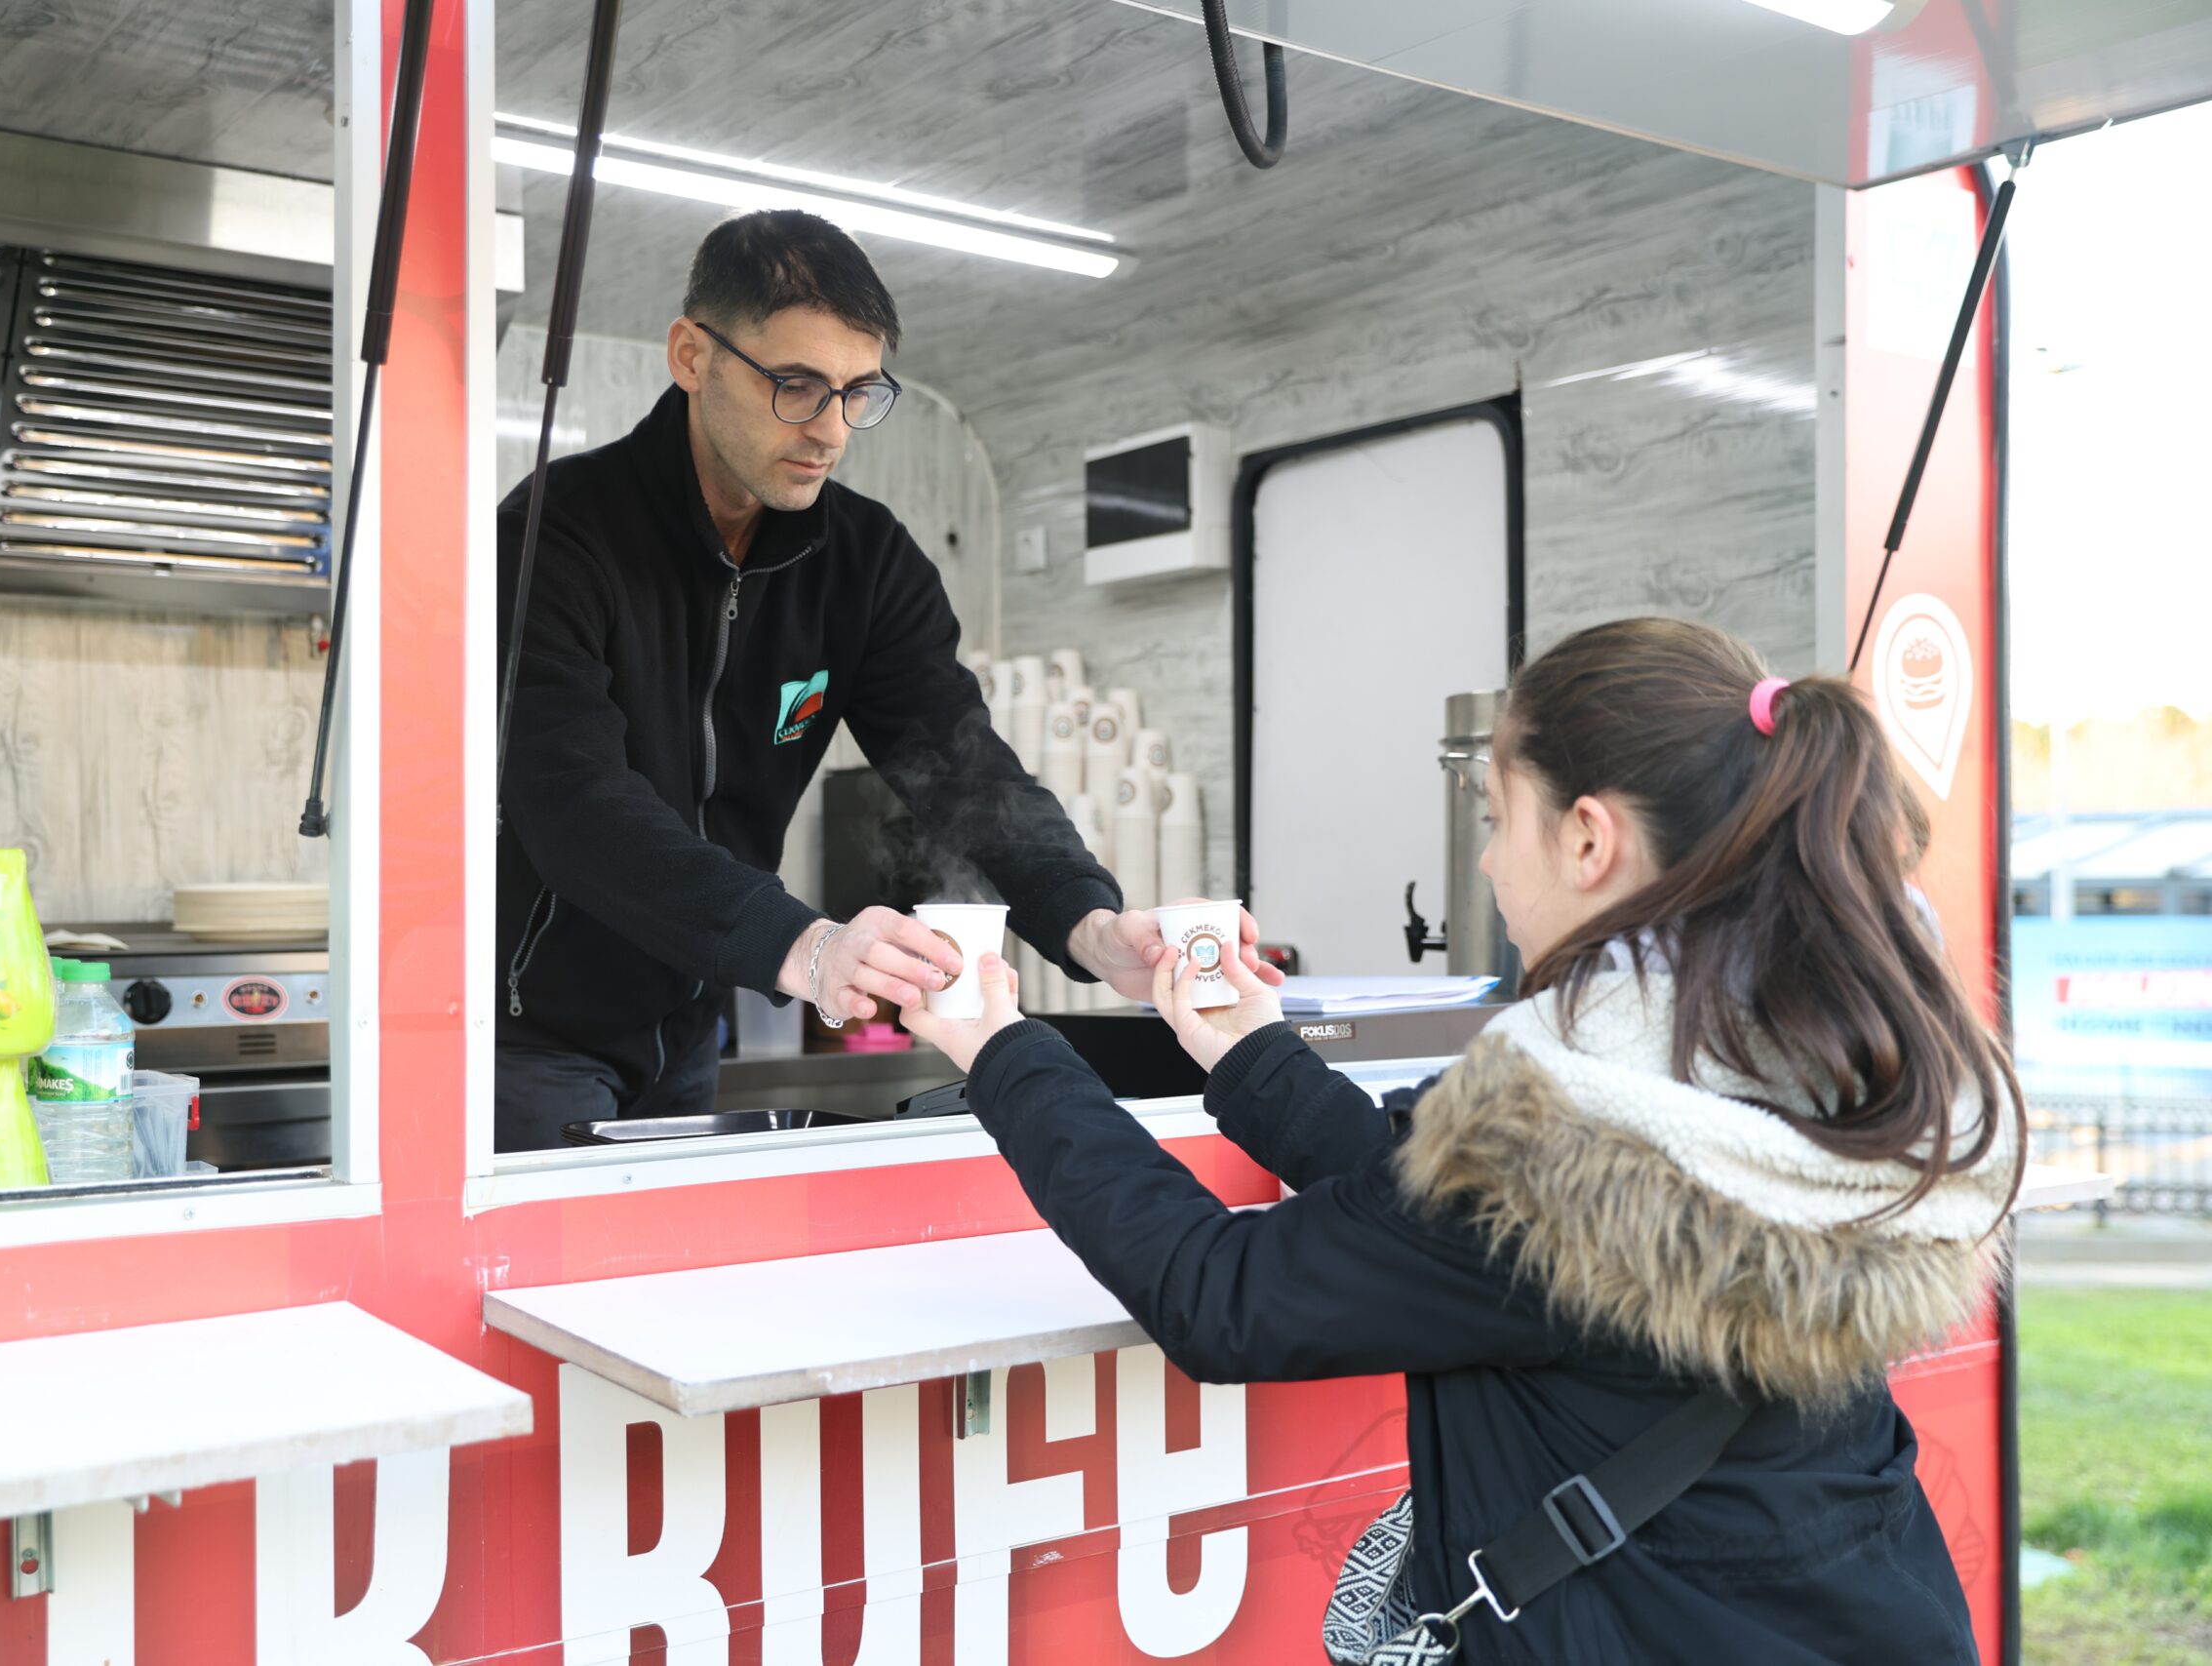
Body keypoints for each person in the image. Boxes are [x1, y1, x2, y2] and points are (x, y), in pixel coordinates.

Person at [903, 617, 2023, 1664]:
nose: (1486, 861)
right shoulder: (1808, 1056)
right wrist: (1250, 1054)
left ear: (1589, 837)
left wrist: (1001, 1047)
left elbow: (1219, 1291)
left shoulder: (1577, 1135)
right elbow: (1440, 1223)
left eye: (1497, 815)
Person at [494, 209, 1273, 1150]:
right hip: (525, 1037)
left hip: (693, 1026)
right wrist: (807, 944)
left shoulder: (864, 563)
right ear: (691, 355)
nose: (831, 430)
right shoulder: (557, 535)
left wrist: (1092, 925)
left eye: (859, 392)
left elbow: (965, 773)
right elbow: (572, 804)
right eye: (796, 386)